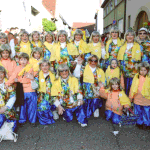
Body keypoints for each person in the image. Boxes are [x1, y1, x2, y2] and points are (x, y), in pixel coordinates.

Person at [6, 53, 37, 127]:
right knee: (22, 105)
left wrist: (18, 80)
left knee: (32, 106)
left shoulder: (30, 68)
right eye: (21, 59)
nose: (23, 61)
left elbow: (26, 79)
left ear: (28, 60)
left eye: (25, 59)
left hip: (30, 90)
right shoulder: (17, 68)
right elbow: (13, 77)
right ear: (19, 60)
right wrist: (7, 83)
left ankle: (32, 120)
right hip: (22, 90)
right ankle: (22, 120)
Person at [31, 59, 57, 125]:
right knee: (42, 108)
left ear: (49, 66)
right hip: (42, 95)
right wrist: (32, 80)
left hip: (52, 94)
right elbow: (34, 87)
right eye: (43, 66)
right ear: (40, 67)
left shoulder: (53, 74)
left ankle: (53, 110)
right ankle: (47, 117)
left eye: (46, 65)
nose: (45, 67)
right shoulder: (37, 75)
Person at [118, 28, 142, 95]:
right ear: (125, 37)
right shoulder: (122, 46)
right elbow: (119, 59)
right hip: (124, 72)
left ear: (134, 36)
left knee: (133, 88)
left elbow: (142, 59)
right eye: (128, 35)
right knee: (124, 88)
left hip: (134, 72)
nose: (130, 37)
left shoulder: (139, 46)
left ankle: (132, 102)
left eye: (131, 35)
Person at [129, 62, 150, 129]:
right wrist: (131, 97)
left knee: (146, 111)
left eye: (145, 70)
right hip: (137, 97)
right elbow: (132, 87)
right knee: (138, 111)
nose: (143, 72)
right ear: (139, 70)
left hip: (147, 98)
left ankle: (147, 123)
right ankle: (139, 122)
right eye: (141, 70)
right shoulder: (136, 77)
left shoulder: (149, 77)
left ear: (147, 70)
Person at [0, 66, 18, 133]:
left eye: (1, 73)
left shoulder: (9, 83)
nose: (0, 75)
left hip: (7, 108)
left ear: (4, 74)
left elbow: (13, 97)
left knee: (12, 127)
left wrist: (5, 107)